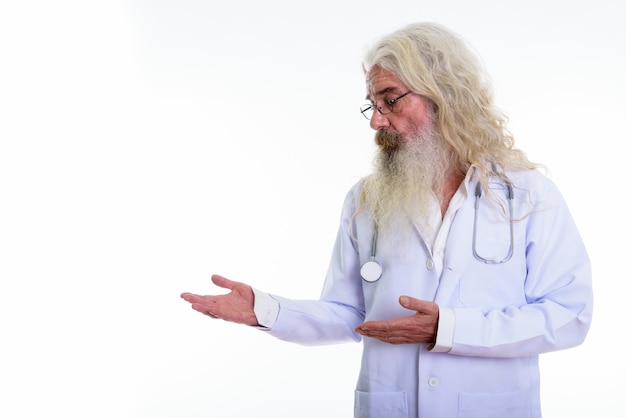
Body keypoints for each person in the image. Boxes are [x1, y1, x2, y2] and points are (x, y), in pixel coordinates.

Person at [181, 22, 592, 418]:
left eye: (390, 99)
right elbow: (350, 314)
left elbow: (569, 315)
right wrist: (265, 310)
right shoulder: (365, 200)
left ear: (444, 93)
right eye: (373, 106)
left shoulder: (527, 195)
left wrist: (448, 329)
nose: (377, 121)